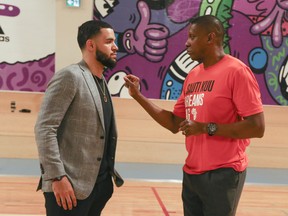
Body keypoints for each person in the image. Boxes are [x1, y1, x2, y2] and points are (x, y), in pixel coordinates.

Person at [124, 15, 265, 216]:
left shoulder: (237, 71)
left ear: (210, 38)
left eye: (192, 36)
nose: (186, 42)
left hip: (223, 172)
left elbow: (257, 127)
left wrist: (206, 127)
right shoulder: (193, 75)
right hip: (192, 173)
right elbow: (175, 123)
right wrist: (138, 96)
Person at [34, 20, 124, 216]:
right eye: (109, 41)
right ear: (91, 45)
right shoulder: (70, 76)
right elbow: (45, 128)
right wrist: (57, 178)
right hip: (68, 189)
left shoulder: (101, 82)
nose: (115, 47)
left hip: (97, 187)